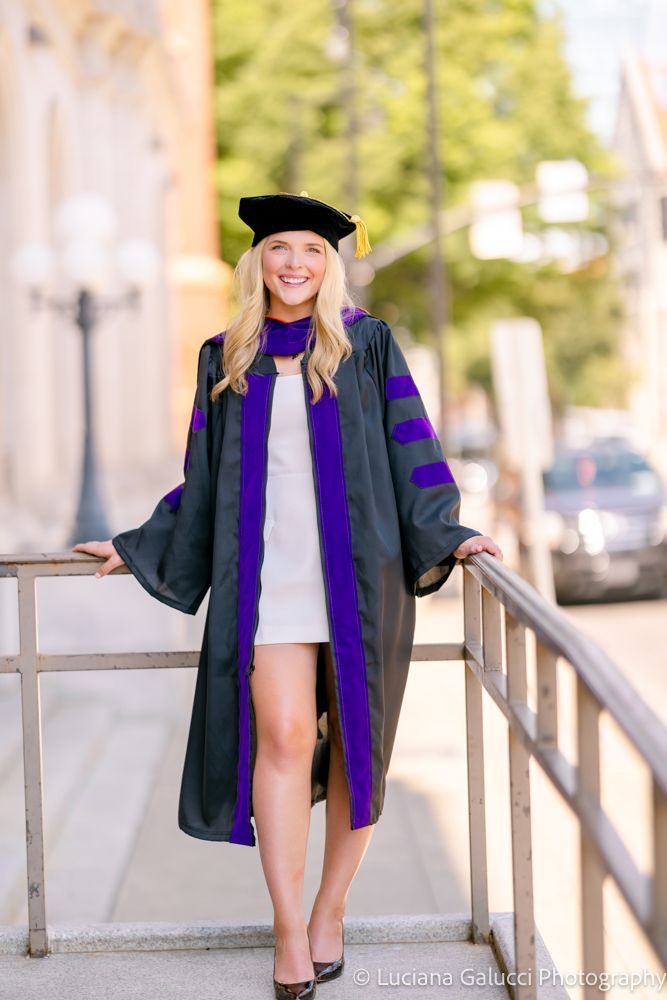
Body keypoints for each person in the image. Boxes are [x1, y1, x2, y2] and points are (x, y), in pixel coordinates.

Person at [73, 191, 502, 999]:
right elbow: (202, 481)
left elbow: (414, 445)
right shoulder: (224, 354)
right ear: (257, 262)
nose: (294, 264)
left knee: (353, 748)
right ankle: (285, 928)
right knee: (280, 734)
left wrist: (447, 531)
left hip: (358, 577)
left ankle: (328, 912)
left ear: (329, 262)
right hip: (266, 580)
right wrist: (139, 546)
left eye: (310, 249)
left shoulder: (365, 344)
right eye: (279, 250)